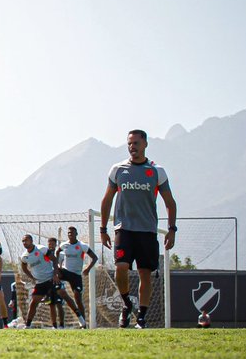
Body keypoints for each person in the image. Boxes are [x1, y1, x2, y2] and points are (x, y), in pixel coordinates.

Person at [99, 129, 177, 328]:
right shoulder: (118, 170)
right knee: (120, 268)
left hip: (147, 231)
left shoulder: (157, 171)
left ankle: (141, 317)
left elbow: (170, 203)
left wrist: (172, 229)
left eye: (136, 143)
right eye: (129, 143)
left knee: (145, 274)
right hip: (123, 229)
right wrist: (103, 229)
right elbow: (107, 200)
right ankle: (127, 304)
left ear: (145, 144)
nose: (132, 147)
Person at [17, 234, 80, 328]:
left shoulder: (42, 249)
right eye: (23, 241)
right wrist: (32, 277)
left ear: (31, 240)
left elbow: (55, 260)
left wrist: (55, 274)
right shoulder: (24, 256)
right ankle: (29, 325)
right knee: (37, 303)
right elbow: (24, 267)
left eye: (26, 240)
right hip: (40, 283)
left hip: (51, 279)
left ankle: (79, 319)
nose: (24, 243)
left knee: (63, 297)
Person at [56, 228, 94, 328]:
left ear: (76, 233)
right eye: (69, 232)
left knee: (78, 298)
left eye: (72, 232)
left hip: (76, 275)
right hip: (65, 271)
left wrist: (88, 269)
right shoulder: (64, 245)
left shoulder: (82, 246)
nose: (70, 234)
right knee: (54, 273)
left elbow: (94, 258)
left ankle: (83, 323)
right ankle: (51, 293)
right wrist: (58, 265)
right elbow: (57, 252)